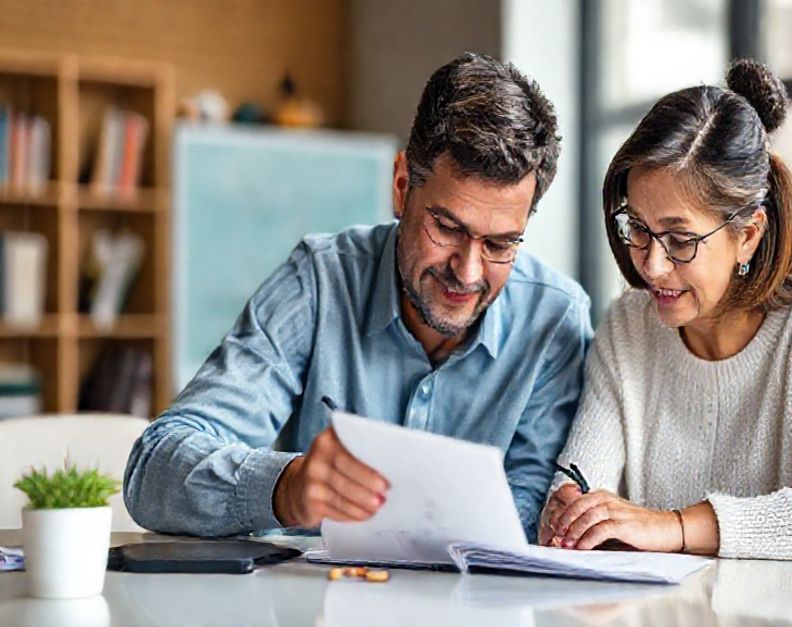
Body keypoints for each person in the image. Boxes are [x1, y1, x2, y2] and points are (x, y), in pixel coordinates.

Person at [125, 53, 592, 542]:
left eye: (500, 244)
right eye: (447, 228)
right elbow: (153, 469)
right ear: (401, 185)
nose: (468, 272)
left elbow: (528, 515)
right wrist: (285, 487)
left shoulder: (556, 321)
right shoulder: (320, 281)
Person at [539, 59, 792, 560]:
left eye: (679, 239)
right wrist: (569, 507)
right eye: (638, 228)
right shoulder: (630, 326)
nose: (652, 266)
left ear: (748, 235)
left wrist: (673, 527)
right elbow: (581, 477)